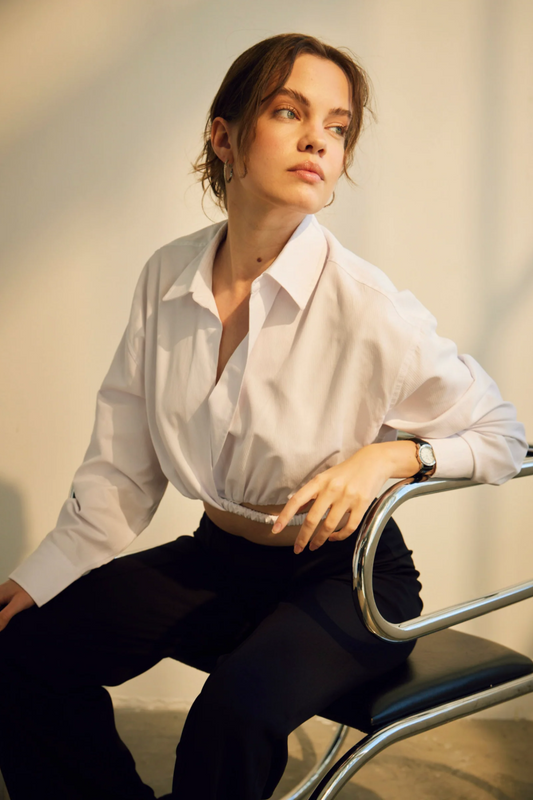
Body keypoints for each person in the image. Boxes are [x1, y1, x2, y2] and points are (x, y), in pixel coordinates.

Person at [0, 32, 527, 800]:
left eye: (338, 126)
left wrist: (392, 456)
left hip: (348, 582)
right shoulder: (167, 276)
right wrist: (42, 576)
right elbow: (124, 467)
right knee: (24, 652)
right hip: (217, 557)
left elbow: (503, 435)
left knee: (233, 715)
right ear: (224, 136)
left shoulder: (367, 306)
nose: (319, 139)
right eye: (289, 111)